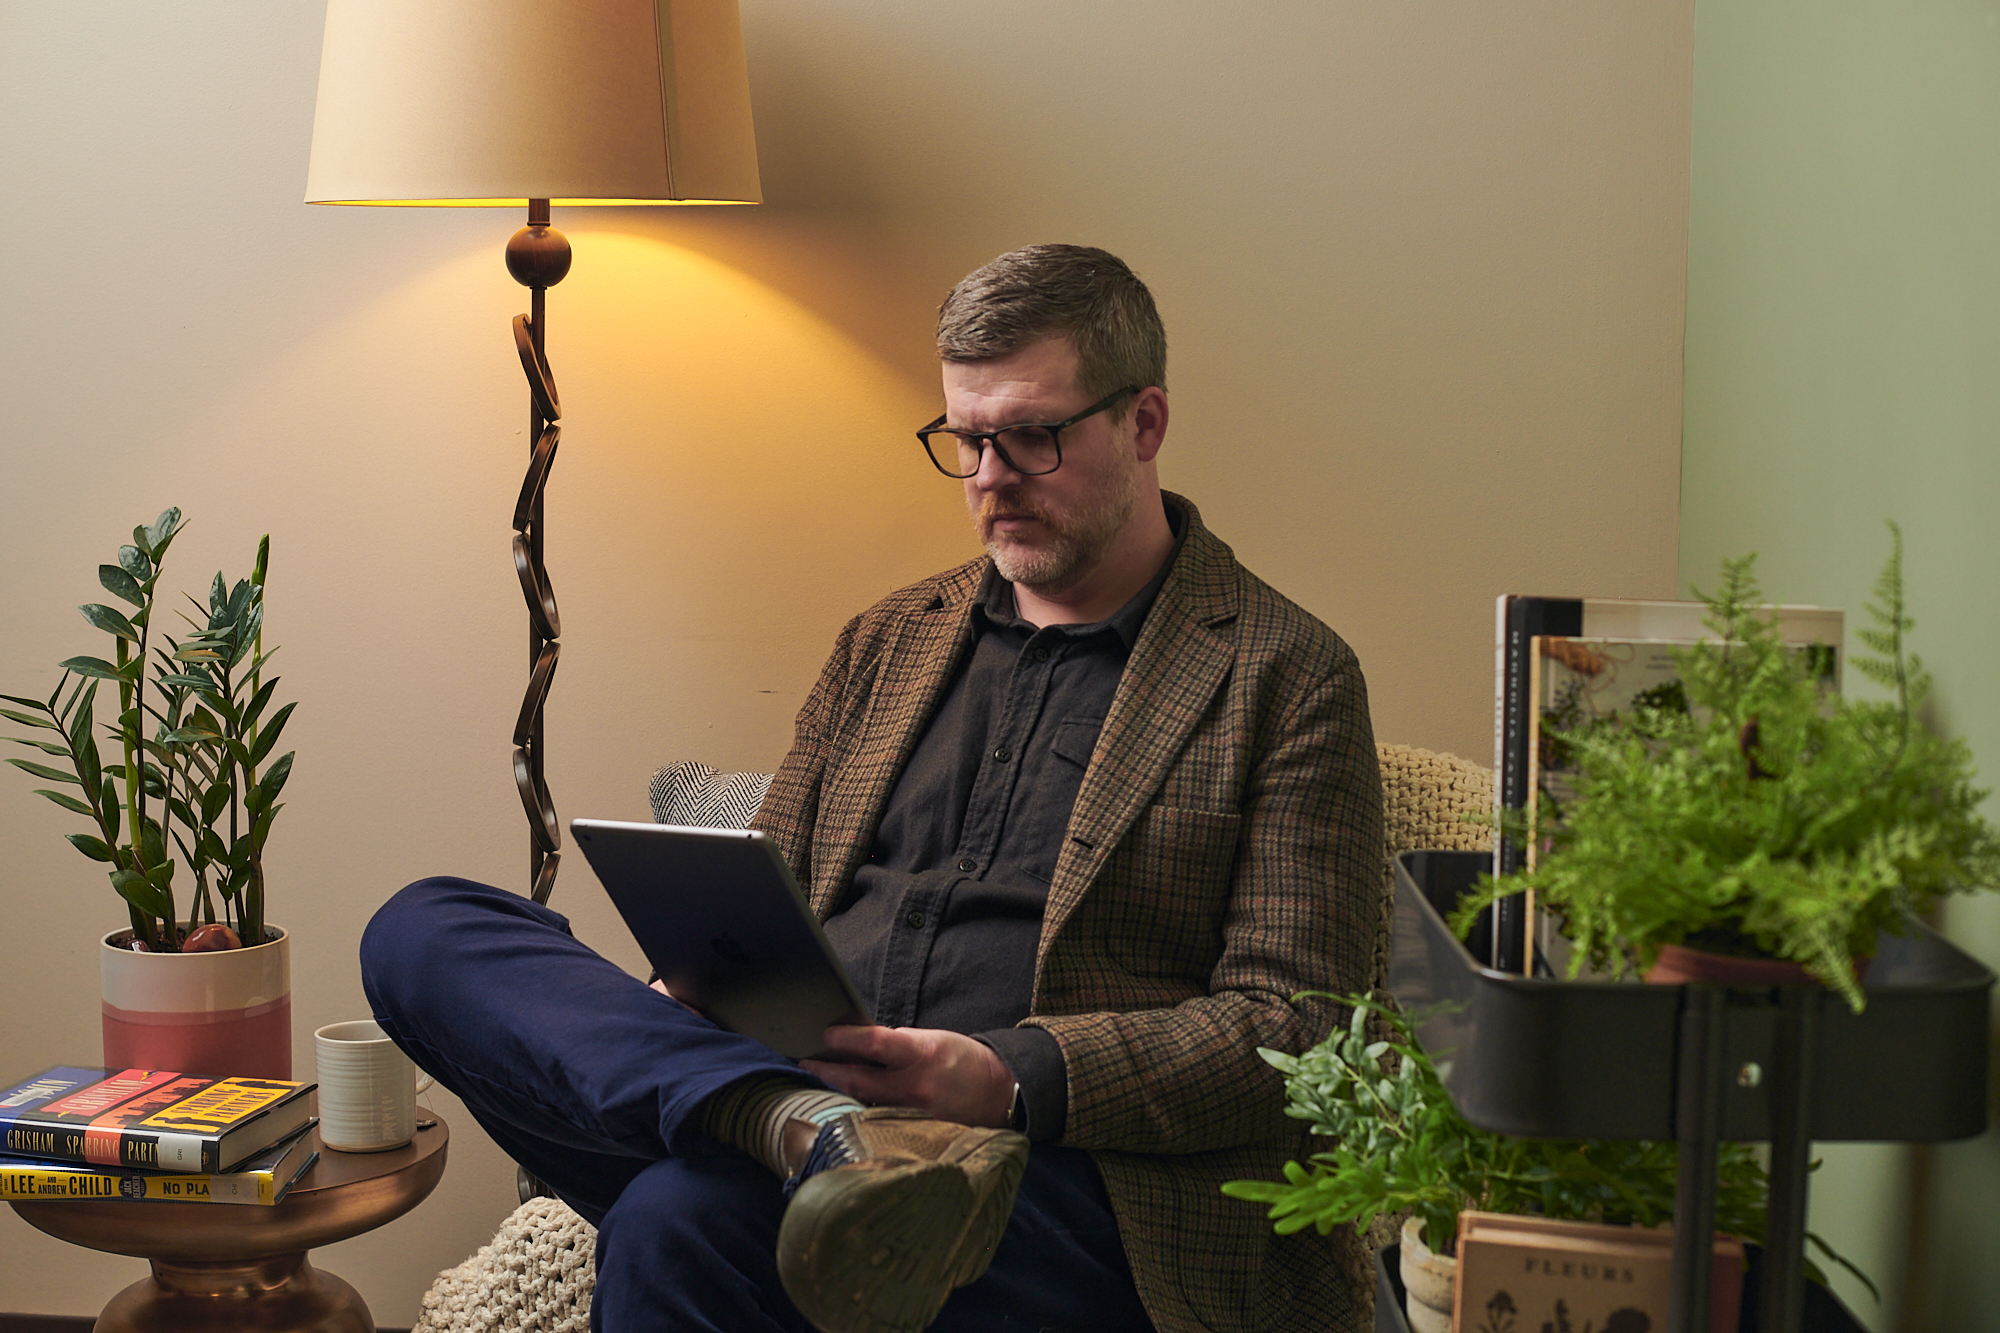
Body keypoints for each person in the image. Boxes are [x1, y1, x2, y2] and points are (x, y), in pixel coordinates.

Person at [361, 244, 1383, 1333]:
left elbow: (1298, 1033)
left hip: (1065, 1185)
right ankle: (793, 1127)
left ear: (1142, 424)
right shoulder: (888, 639)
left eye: (1030, 436)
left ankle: (795, 1142)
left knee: (677, 1218)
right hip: (801, 1101)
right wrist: (684, 996)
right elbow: (771, 894)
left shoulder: (1283, 673)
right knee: (421, 928)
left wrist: (1001, 1076)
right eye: (965, 439)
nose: (989, 477)